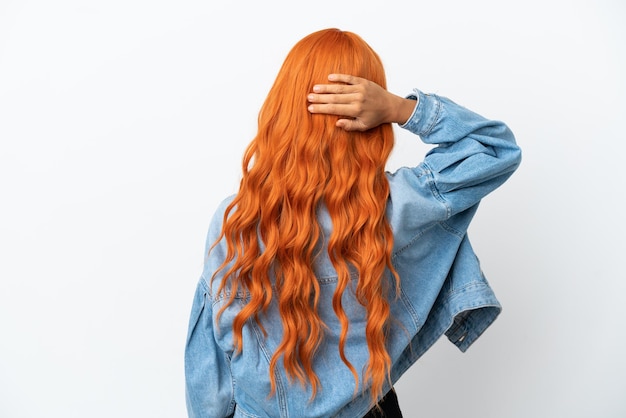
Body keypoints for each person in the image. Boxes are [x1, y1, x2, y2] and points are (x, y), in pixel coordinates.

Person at [184, 28, 521, 418]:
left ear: (282, 108)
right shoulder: (396, 208)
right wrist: (401, 108)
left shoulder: (235, 223)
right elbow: (495, 149)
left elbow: (210, 375)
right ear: (369, 117)